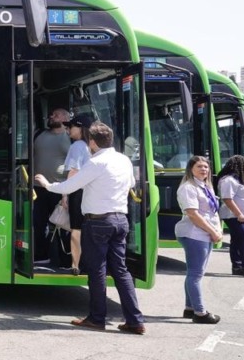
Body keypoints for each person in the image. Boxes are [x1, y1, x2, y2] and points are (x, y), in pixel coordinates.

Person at [34, 121, 145, 335]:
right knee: (121, 270)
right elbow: (131, 183)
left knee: (97, 270)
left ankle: (96, 318)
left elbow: (70, 186)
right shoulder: (123, 160)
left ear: (92, 142)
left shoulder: (96, 162)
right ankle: (135, 320)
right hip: (120, 220)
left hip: (98, 222)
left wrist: (47, 185)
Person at [175, 155, 224, 323]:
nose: (204, 169)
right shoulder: (188, 187)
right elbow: (193, 214)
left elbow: (212, 212)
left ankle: (190, 308)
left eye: (206, 167)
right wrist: (213, 232)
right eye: (199, 166)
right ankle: (200, 313)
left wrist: (217, 230)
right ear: (191, 169)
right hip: (194, 233)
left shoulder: (205, 186)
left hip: (205, 233)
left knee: (195, 272)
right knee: (195, 274)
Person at [32, 107, 72, 264]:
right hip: (38, 188)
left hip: (60, 188)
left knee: (63, 224)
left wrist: (67, 192)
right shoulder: (39, 134)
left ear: (65, 119)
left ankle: (65, 260)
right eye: (52, 114)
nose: (51, 116)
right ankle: (42, 256)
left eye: (56, 115)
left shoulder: (70, 138)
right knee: (39, 223)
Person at [216, 155, 244, 278]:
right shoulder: (228, 180)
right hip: (233, 215)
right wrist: (239, 213)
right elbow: (227, 199)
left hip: (242, 216)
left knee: (236, 240)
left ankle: (237, 266)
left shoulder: (240, 179)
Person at [62, 112, 95, 274]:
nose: (68, 129)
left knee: (76, 228)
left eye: (71, 126)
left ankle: (75, 264)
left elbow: (73, 171)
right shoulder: (94, 146)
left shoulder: (77, 146)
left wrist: (64, 194)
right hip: (93, 192)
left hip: (78, 192)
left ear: (80, 128)